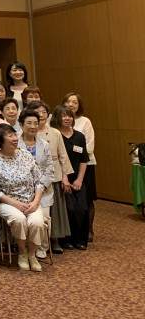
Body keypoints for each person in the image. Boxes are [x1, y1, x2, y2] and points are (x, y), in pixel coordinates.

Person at [0, 123, 47, 271]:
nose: (15, 138)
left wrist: (36, 201)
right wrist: (15, 204)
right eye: (10, 136)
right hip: (7, 203)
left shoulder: (26, 155)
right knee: (19, 219)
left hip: (31, 201)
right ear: (0, 141)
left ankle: (32, 254)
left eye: (15, 135)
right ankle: (22, 252)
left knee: (37, 223)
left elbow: (39, 181)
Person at [27, 100, 73, 254]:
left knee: (55, 212)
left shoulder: (55, 133)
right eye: (37, 112)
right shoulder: (27, 133)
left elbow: (63, 156)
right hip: (32, 179)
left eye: (44, 112)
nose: (41, 115)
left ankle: (55, 240)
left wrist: (65, 177)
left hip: (54, 176)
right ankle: (36, 242)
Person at [18, 109, 54, 260]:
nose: (32, 126)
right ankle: (24, 248)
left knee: (44, 219)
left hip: (43, 191)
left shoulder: (44, 144)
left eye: (35, 123)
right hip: (20, 191)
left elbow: (50, 170)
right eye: (29, 123)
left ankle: (41, 247)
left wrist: (40, 188)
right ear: (21, 125)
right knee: (23, 220)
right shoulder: (14, 143)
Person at [52, 104, 89, 250]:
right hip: (62, 178)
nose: (67, 118)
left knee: (82, 209)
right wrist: (64, 178)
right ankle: (67, 240)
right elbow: (58, 159)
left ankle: (81, 240)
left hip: (78, 178)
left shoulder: (79, 136)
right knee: (69, 209)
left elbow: (84, 160)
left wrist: (79, 180)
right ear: (57, 118)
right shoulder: (55, 135)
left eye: (69, 116)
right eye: (63, 116)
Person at [63, 92, 96, 242]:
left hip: (85, 165)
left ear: (79, 105)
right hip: (66, 166)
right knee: (69, 200)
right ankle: (71, 232)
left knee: (87, 199)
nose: (71, 104)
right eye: (68, 101)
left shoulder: (85, 121)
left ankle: (88, 230)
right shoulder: (59, 122)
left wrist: (74, 152)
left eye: (75, 102)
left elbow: (89, 147)